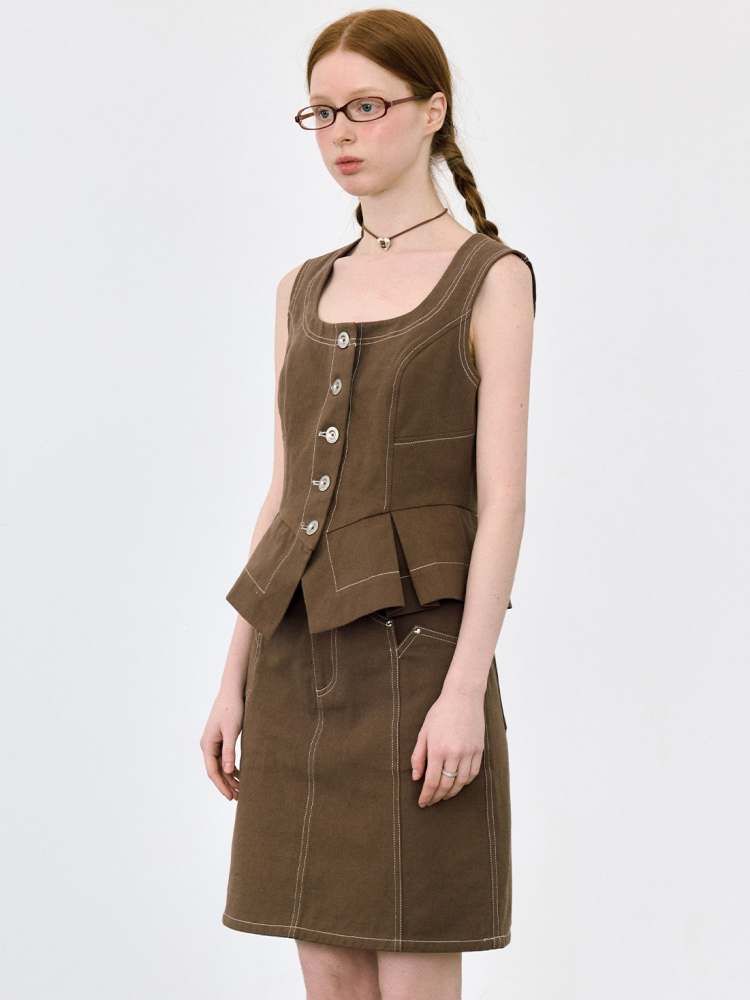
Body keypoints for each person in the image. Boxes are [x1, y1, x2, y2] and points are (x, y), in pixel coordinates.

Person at [200, 9, 536, 999]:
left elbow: (503, 501)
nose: (340, 133)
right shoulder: (300, 289)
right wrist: (233, 677)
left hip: (418, 669)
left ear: (432, 111)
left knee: (414, 960)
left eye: (366, 107)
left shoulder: (492, 279)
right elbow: (282, 496)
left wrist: (465, 689)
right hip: (295, 665)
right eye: (322, 112)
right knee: (330, 977)